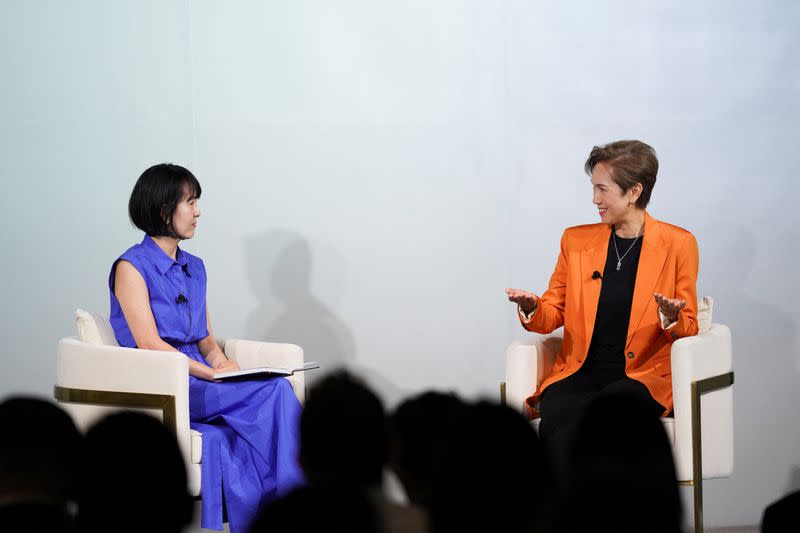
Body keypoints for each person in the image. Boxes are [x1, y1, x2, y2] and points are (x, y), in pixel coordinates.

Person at [109, 163, 304, 533]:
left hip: (201, 376)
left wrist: (227, 365)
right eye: (190, 202)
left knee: (275, 385)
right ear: (164, 209)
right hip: (168, 383)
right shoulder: (130, 267)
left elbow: (208, 343)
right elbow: (150, 344)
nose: (198, 212)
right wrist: (210, 373)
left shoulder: (195, 268)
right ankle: (300, 506)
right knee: (276, 393)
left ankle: (283, 506)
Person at [505, 140, 699, 466]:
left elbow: (690, 325)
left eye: (603, 189)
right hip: (581, 372)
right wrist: (532, 307)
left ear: (634, 192)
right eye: (594, 188)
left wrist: (670, 317)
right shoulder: (576, 241)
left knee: (609, 416)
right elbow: (554, 311)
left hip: (640, 378)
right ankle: (560, 511)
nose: (595, 199)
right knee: (559, 415)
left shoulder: (679, 244)